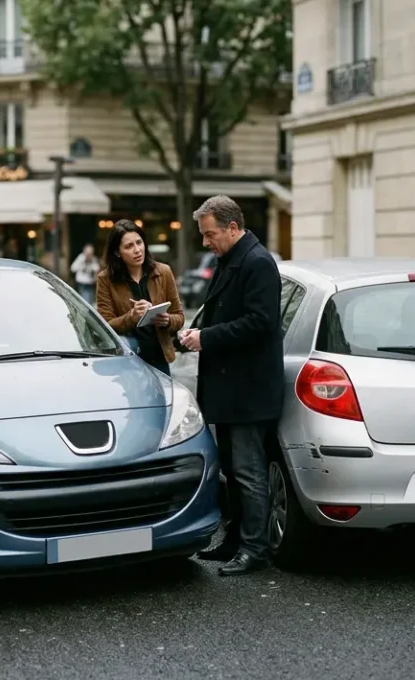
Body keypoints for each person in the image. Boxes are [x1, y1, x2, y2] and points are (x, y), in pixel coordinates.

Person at [178, 196, 284, 576]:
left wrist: (205, 338)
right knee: (234, 472)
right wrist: (193, 335)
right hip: (231, 390)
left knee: (249, 473)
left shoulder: (257, 263)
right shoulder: (232, 259)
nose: (206, 242)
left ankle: (254, 549)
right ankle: (236, 540)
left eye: (210, 235)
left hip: (248, 392)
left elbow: (260, 323)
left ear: (233, 228)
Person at [96, 220, 184, 375]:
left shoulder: (163, 272)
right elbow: (105, 326)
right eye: (129, 246)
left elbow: (179, 317)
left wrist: (167, 320)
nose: (137, 250)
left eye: (139, 242)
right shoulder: (105, 279)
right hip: (126, 362)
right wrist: (132, 316)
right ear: (117, 252)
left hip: (159, 358)